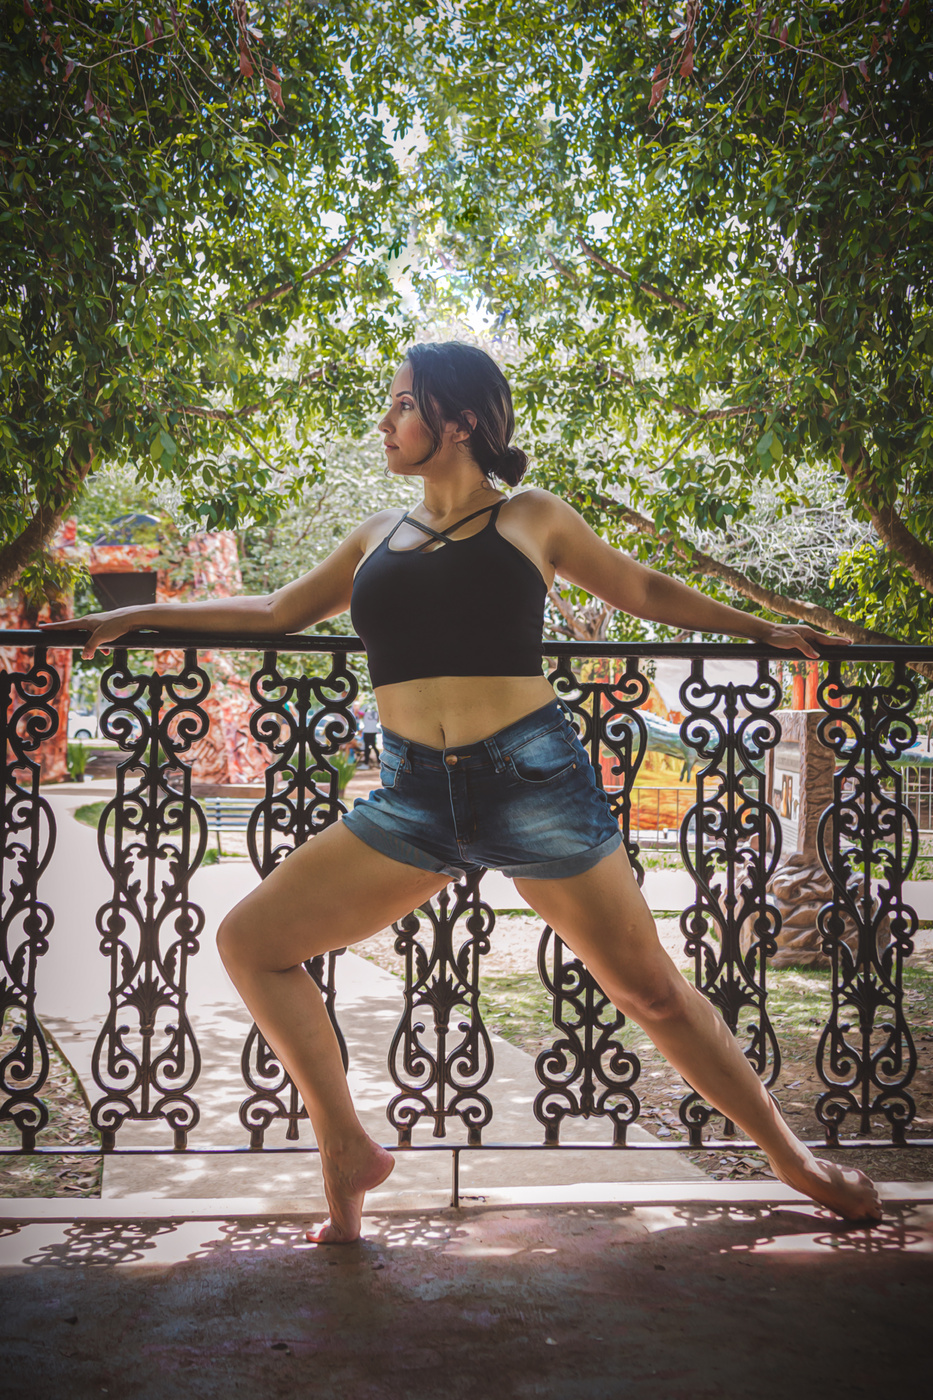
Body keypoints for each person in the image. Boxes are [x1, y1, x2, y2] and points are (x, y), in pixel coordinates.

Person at [44, 341, 882, 1242]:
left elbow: (640, 587)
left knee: (652, 995)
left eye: (403, 404)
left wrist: (759, 628)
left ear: (460, 421)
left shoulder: (532, 517)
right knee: (251, 942)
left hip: (533, 782)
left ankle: (791, 1161)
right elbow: (276, 612)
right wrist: (141, 613)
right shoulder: (374, 535)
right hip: (411, 796)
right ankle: (344, 1148)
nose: (385, 421)